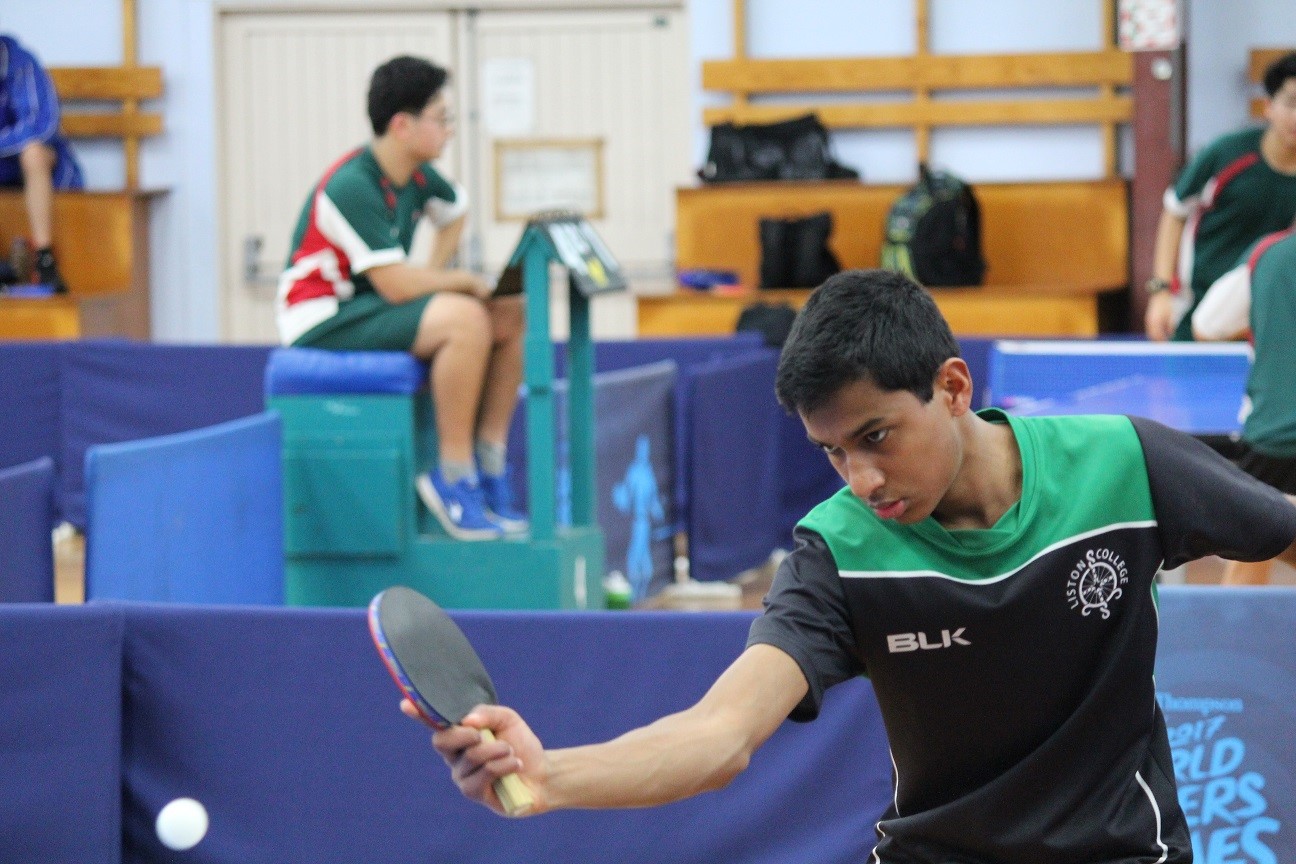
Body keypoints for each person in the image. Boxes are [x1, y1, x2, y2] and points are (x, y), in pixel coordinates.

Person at [414, 269, 1296, 863]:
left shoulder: (1122, 465)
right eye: (834, 453)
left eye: (876, 437)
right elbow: (721, 737)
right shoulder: (838, 552)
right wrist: (547, 775)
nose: (862, 480)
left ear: (952, 389)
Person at [277, 55, 525, 541]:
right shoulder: (353, 184)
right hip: (324, 316)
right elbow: (394, 285)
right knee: (465, 319)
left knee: (510, 315)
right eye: (442, 118)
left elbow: (456, 211)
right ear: (402, 125)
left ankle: (490, 461)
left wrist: (431, 275)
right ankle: (451, 476)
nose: (450, 130)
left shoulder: (416, 176)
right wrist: (455, 282)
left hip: (370, 306)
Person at [1145, 51, 1296, 342]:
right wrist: (1160, 292)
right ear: (1268, 107)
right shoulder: (1225, 154)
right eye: (1291, 103)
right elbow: (1174, 213)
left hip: (1262, 321)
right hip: (1194, 307)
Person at [1192, 227, 1296, 585]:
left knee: (1252, 553)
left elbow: (1205, 325)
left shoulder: (1266, 254)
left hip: (1271, 436)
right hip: (1272, 432)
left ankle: (1233, 633)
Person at [0, 34, 83, 291]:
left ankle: (45, 260)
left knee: (33, 153)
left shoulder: (22, 63)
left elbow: (41, 125)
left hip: (45, 169)